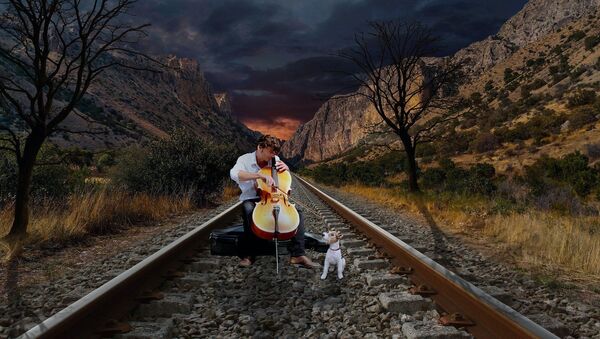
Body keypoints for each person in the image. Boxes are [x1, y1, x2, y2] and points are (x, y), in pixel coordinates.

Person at [229, 135, 316, 268]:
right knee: (248, 209)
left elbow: (284, 179)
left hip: (274, 198)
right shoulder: (244, 160)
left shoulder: (275, 160)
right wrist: (259, 175)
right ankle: (249, 255)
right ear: (260, 148)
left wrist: (287, 170)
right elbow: (235, 174)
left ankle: (298, 255)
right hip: (252, 198)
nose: (273, 156)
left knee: (297, 212)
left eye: (275, 153)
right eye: (270, 152)